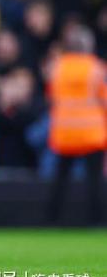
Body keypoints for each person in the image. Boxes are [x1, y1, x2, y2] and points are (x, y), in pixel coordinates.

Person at [46, 24, 106, 225]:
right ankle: (95, 221)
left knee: (60, 181)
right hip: (92, 134)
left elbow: (51, 97)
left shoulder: (57, 67)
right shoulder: (96, 68)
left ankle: (52, 220)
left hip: (64, 133)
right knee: (94, 181)